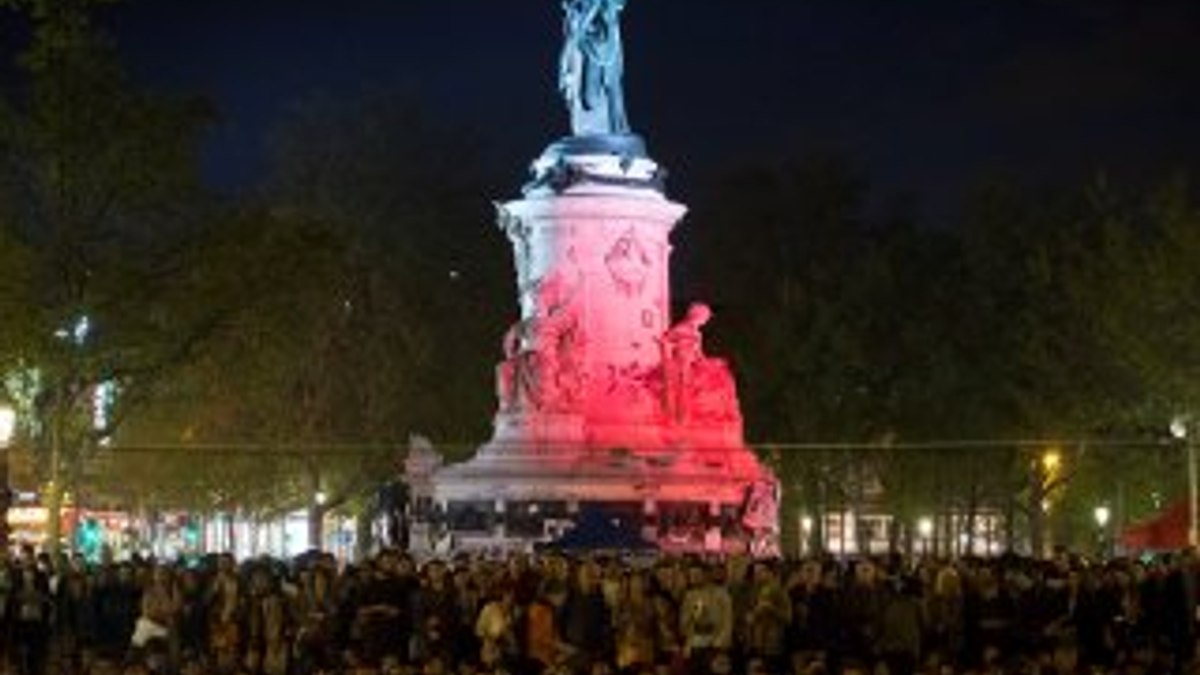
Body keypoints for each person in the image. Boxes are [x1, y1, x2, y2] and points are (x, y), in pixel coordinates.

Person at [559, 0, 630, 136]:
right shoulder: (574, 16)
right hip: (582, 41)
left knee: (603, 87)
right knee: (583, 91)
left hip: (600, 37)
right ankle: (590, 128)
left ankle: (611, 127)